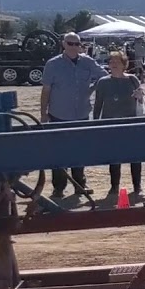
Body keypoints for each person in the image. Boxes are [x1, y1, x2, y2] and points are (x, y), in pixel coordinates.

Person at [40, 32, 107, 198]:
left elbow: (104, 77)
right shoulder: (52, 64)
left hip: (81, 114)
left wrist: (91, 89)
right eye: (70, 43)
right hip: (58, 115)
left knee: (79, 151)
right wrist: (43, 113)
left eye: (77, 44)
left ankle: (79, 185)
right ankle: (59, 188)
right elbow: (46, 90)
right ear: (64, 44)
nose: (74, 47)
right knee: (59, 153)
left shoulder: (87, 62)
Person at [93, 51, 145, 196]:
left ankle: (137, 186)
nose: (114, 65)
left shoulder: (132, 79)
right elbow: (98, 105)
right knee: (114, 157)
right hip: (111, 125)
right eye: (111, 62)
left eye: (117, 62)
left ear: (124, 65)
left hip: (131, 125)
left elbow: (142, 101)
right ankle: (114, 186)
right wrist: (96, 125)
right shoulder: (103, 82)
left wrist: (140, 96)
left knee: (135, 157)